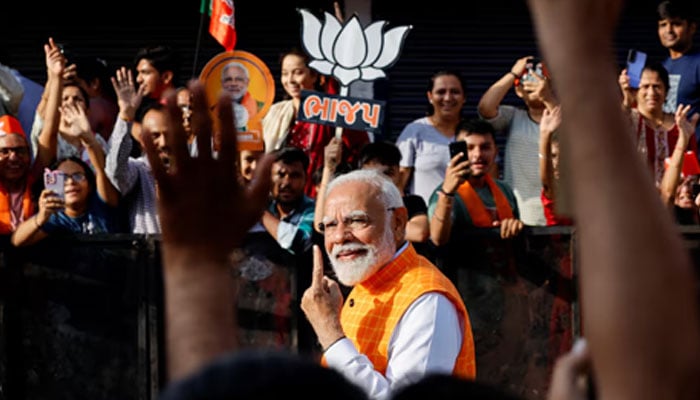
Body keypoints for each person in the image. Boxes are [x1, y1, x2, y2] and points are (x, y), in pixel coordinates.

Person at [526, 0, 700, 399]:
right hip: (598, 256)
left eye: (660, 87)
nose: (652, 93)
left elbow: (670, 192)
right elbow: (561, 188)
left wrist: (576, 50)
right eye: (646, 87)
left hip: (661, 239)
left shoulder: (675, 132)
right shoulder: (621, 126)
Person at [302, 168, 476, 399]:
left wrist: (329, 332)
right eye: (331, 225)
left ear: (398, 223)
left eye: (356, 220)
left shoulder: (428, 301)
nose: (339, 237)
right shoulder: (370, 277)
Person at [261, 47, 370, 198]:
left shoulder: (331, 111)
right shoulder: (274, 113)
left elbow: (361, 150)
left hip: (320, 196)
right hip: (281, 197)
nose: (290, 80)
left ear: (315, 76)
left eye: (298, 72)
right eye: (285, 74)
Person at [477, 56, 559, 226]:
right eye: (526, 81)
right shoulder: (514, 116)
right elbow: (485, 108)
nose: (533, 84)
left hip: (558, 214)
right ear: (519, 91)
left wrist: (548, 98)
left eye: (540, 79)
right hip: (518, 216)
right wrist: (513, 73)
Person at [429, 118, 523, 245]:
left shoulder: (504, 189)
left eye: (485, 147)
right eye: (469, 148)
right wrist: (447, 194)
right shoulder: (444, 193)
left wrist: (514, 226)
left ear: (495, 152)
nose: (477, 154)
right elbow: (438, 239)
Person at [105, 66, 167, 234]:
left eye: (170, 134)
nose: (163, 143)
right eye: (155, 136)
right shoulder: (138, 171)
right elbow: (115, 171)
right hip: (147, 258)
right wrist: (126, 117)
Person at [619, 62, 699, 186]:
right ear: (636, 90)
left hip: (673, 200)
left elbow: (691, 172)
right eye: (645, 86)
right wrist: (627, 101)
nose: (651, 92)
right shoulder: (629, 119)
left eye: (657, 86)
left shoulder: (680, 125)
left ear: (666, 91)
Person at [395, 70, 467, 205]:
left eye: (455, 92)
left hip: (471, 220)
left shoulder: (474, 133)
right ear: (430, 96)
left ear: (464, 97)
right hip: (426, 219)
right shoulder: (414, 131)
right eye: (441, 92)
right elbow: (399, 183)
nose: (447, 98)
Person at [657, 0, 700, 142]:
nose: (668, 30)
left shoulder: (697, 64)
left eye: (676, 24)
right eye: (663, 25)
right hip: (671, 154)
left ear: (692, 28)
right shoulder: (662, 67)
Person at [260, 146, 315, 257]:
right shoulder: (267, 206)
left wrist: (259, 213)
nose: (286, 183)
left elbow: (301, 242)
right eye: (280, 175)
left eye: (295, 176)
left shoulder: (313, 211)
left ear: (306, 179)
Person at [538, 105, 573, 226]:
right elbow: (546, 181)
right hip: (559, 244)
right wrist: (545, 135)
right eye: (553, 156)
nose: (557, 163)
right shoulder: (554, 191)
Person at [220, 61, 263, 131]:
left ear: (247, 82)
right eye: (228, 79)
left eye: (239, 79)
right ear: (222, 83)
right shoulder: (211, 111)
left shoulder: (262, 109)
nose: (233, 84)